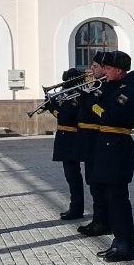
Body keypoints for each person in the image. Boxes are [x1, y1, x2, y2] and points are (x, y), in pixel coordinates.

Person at [91, 51, 134, 262]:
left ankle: (126, 246)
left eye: (108, 69)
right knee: (110, 199)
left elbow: (111, 115)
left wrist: (93, 103)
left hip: (118, 147)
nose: (105, 72)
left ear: (119, 71)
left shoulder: (128, 90)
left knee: (119, 200)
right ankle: (118, 241)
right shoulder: (113, 87)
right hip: (107, 147)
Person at [74, 53, 109, 237]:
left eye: (95, 66)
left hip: (97, 138)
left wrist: (88, 101)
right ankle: (99, 218)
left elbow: (101, 112)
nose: (91, 69)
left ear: (104, 68)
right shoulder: (96, 85)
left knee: (97, 183)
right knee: (92, 181)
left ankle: (101, 220)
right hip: (88, 140)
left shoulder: (105, 87)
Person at [50, 68, 84, 220]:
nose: (64, 84)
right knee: (70, 176)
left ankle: (76, 208)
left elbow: (67, 116)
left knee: (73, 176)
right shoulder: (68, 94)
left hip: (71, 139)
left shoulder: (77, 96)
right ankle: (75, 206)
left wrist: (53, 108)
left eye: (67, 81)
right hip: (65, 139)